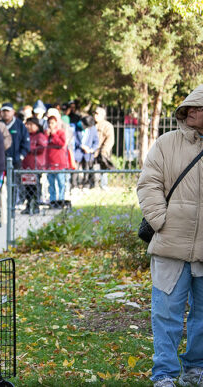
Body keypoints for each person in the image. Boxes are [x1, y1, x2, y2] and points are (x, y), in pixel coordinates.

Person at [137, 84, 203, 387]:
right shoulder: (166, 143)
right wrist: (161, 220)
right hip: (169, 246)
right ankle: (164, 374)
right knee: (166, 316)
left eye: (200, 108)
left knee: (202, 319)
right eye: (190, 107)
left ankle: (195, 370)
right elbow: (148, 183)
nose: (192, 112)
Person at [1, 102, 30, 205]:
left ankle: (13, 205)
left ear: (13, 112)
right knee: (0, 185)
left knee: (14, 183)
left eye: (8, 111)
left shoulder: (19, 125)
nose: (5, 113)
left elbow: (26, 142)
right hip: (0, 160)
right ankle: (2, 207)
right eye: (3, 111)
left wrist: (21, 156)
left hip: (15, 160)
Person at [20, 117, 47, 214]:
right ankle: (28, 205)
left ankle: (35, 205)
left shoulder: (40, 136)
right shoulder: (25, 135)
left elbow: (42, 148)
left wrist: (29, 148)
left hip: (36, 165)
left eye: (31, 124)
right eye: (27, 124)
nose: (29, 127)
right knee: (27, 186)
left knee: (35, 187)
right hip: (26, 165)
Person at [44, 110, 69, 207]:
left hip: (59, 163)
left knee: (61, 183)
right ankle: (53, 201)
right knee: (51, 185)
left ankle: (61, 200)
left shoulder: (61, 132)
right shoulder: (47, 134)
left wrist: (54, 134)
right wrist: (48, 135)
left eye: (52, 123)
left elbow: (62, 144)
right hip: (49, 163)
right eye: (49, 123)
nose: (50, 125)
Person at [73, 115, 99, 189]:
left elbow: (96, 142)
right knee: (75, 169)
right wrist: (81, 145)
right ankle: (74, 185)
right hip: (78, 151)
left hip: (87, 153)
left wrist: (91, 149)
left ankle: (86, 184)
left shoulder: (93, 129)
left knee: (87, 169)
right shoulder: (77, 126)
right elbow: (74, 139)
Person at [93, 106, 115, 188]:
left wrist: (104, 151)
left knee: (104, 168)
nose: (95, 115)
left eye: (97, 114)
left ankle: (103, 185)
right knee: (94, 168)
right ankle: (94, 185)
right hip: (93, 151)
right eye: (95, 113)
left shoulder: (107, 126)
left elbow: (110, 140)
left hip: (103, 151)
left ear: (102, 115)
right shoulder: (92, 125)